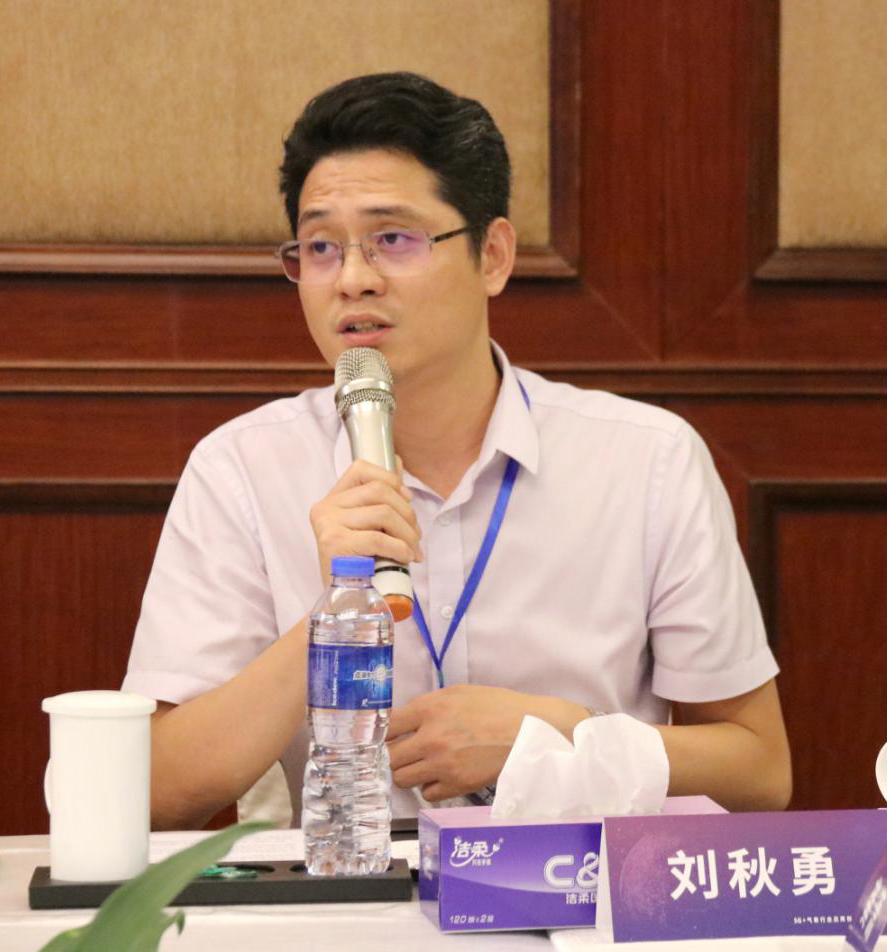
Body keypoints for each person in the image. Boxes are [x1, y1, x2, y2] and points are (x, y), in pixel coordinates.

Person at [123, 72, 791, 830]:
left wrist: (560, 737)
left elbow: (759, 772)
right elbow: (152, 792)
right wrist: (334, 616)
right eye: (320, 247)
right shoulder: (242, 470)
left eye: (392, 239)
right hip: (354, 888)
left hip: (581, 890)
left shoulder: (647, 462)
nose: (353, 279)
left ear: (493, 256)